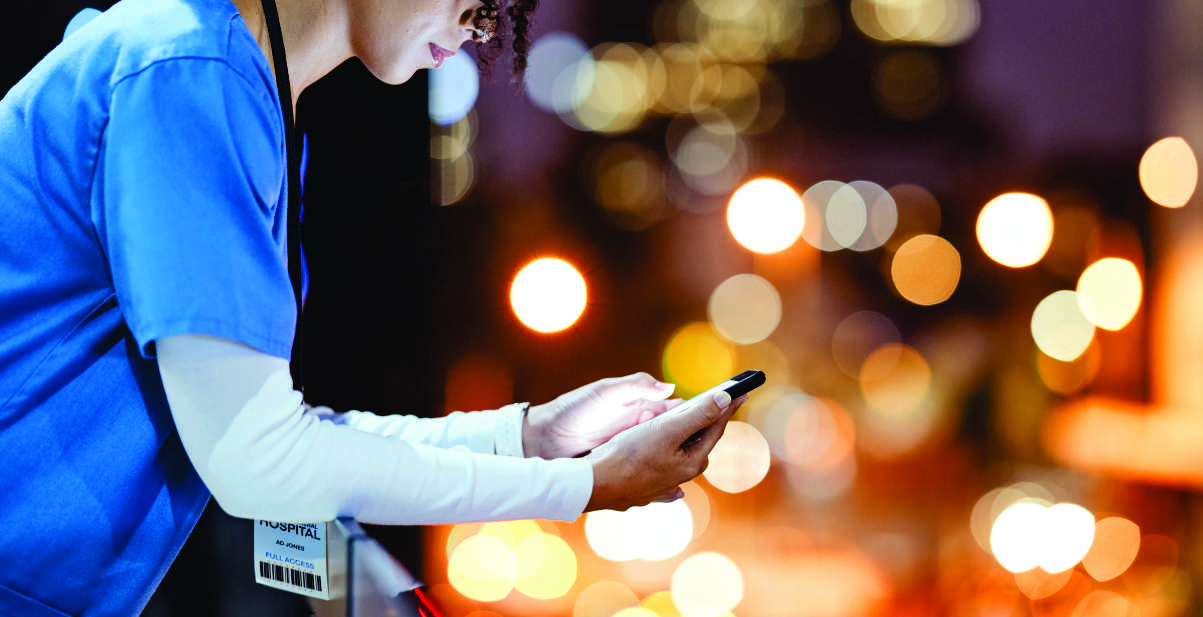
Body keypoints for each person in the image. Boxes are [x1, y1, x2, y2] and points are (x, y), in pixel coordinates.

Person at [0, 0, 745, 614]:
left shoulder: (228, 81)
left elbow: (270, 430)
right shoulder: (185, 72)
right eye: (480, 2)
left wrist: (529, 437)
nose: (480, 27)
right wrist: (582, 485)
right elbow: (257, 458)